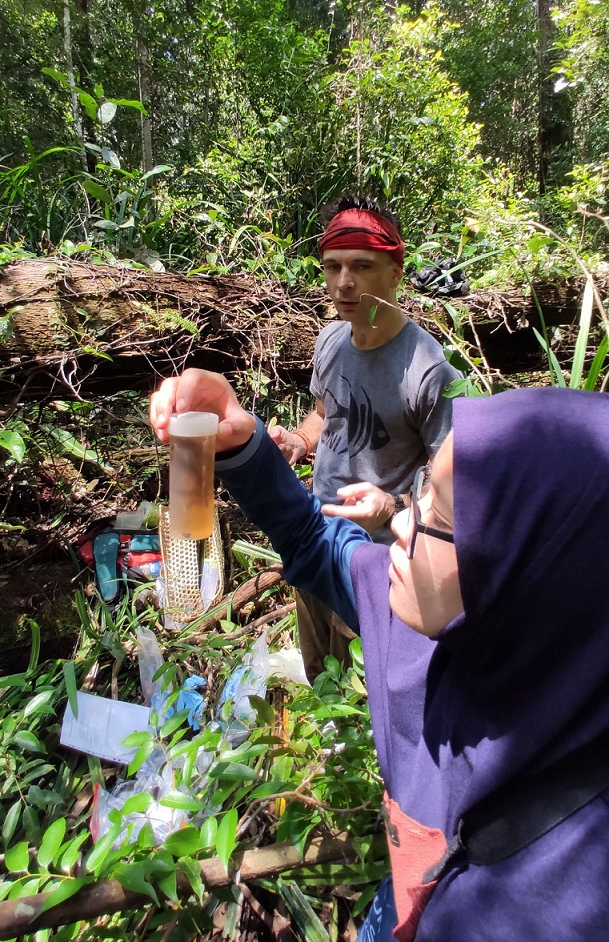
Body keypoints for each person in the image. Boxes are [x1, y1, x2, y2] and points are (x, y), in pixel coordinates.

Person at [151, 371, 609, 940]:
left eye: (438, 518)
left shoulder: (562, 904)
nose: (400, 524)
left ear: (530, 576)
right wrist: (243, 443)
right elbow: (315, 541)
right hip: (409, 895)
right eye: (420, 496)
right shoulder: (431, 625)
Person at [270, 194, 460, 677]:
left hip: (376, 563)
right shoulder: (331, 340)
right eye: (332, 267)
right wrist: (300, 441)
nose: (343, 283)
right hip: (317, 535)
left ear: (396, 271)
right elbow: (324, 414)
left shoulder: (427, 371)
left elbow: (453, 497)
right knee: (320, 675)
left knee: (362, 689)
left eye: (362, 266)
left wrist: (392, 505)